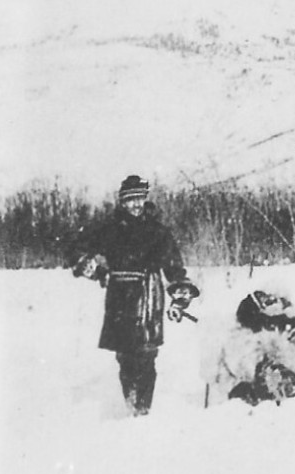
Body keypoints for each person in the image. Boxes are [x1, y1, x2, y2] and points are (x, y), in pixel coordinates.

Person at [66, 175, 199, 415]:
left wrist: (180, 298)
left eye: (140, 198)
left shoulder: (158, 232)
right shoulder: (109, 230)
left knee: (147, 355)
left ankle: (143, 410)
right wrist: (96, 272)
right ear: (123, 203)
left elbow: (174, 268)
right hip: (119, 298)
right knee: (126, 356)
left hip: (149, 296)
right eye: (131, 200)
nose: (137, 204)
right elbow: (75, 249)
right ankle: (131, 404)